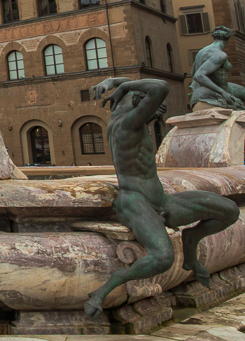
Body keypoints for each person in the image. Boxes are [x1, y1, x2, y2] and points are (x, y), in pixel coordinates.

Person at [84, 78, 240, 318]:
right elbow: (160, 87)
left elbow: (152, 90)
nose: (159, 114)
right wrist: (124, 87)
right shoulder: (127, 124)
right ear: (141, 106)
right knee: (163, 258)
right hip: (135, 201)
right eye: (156, 109)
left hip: (161, 200)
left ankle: (190, 239)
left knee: (229, 210)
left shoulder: (130, 120)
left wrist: (116, 81)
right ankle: (103, 290)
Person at [189, 26, 245, 110]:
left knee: (242, 91)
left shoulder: (202, 51)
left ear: (214, 37)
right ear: (228, 39)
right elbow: (199, 75)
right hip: (215, 89)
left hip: (208, 88)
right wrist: (222, 92)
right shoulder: (220, 55)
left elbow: (193, 73)